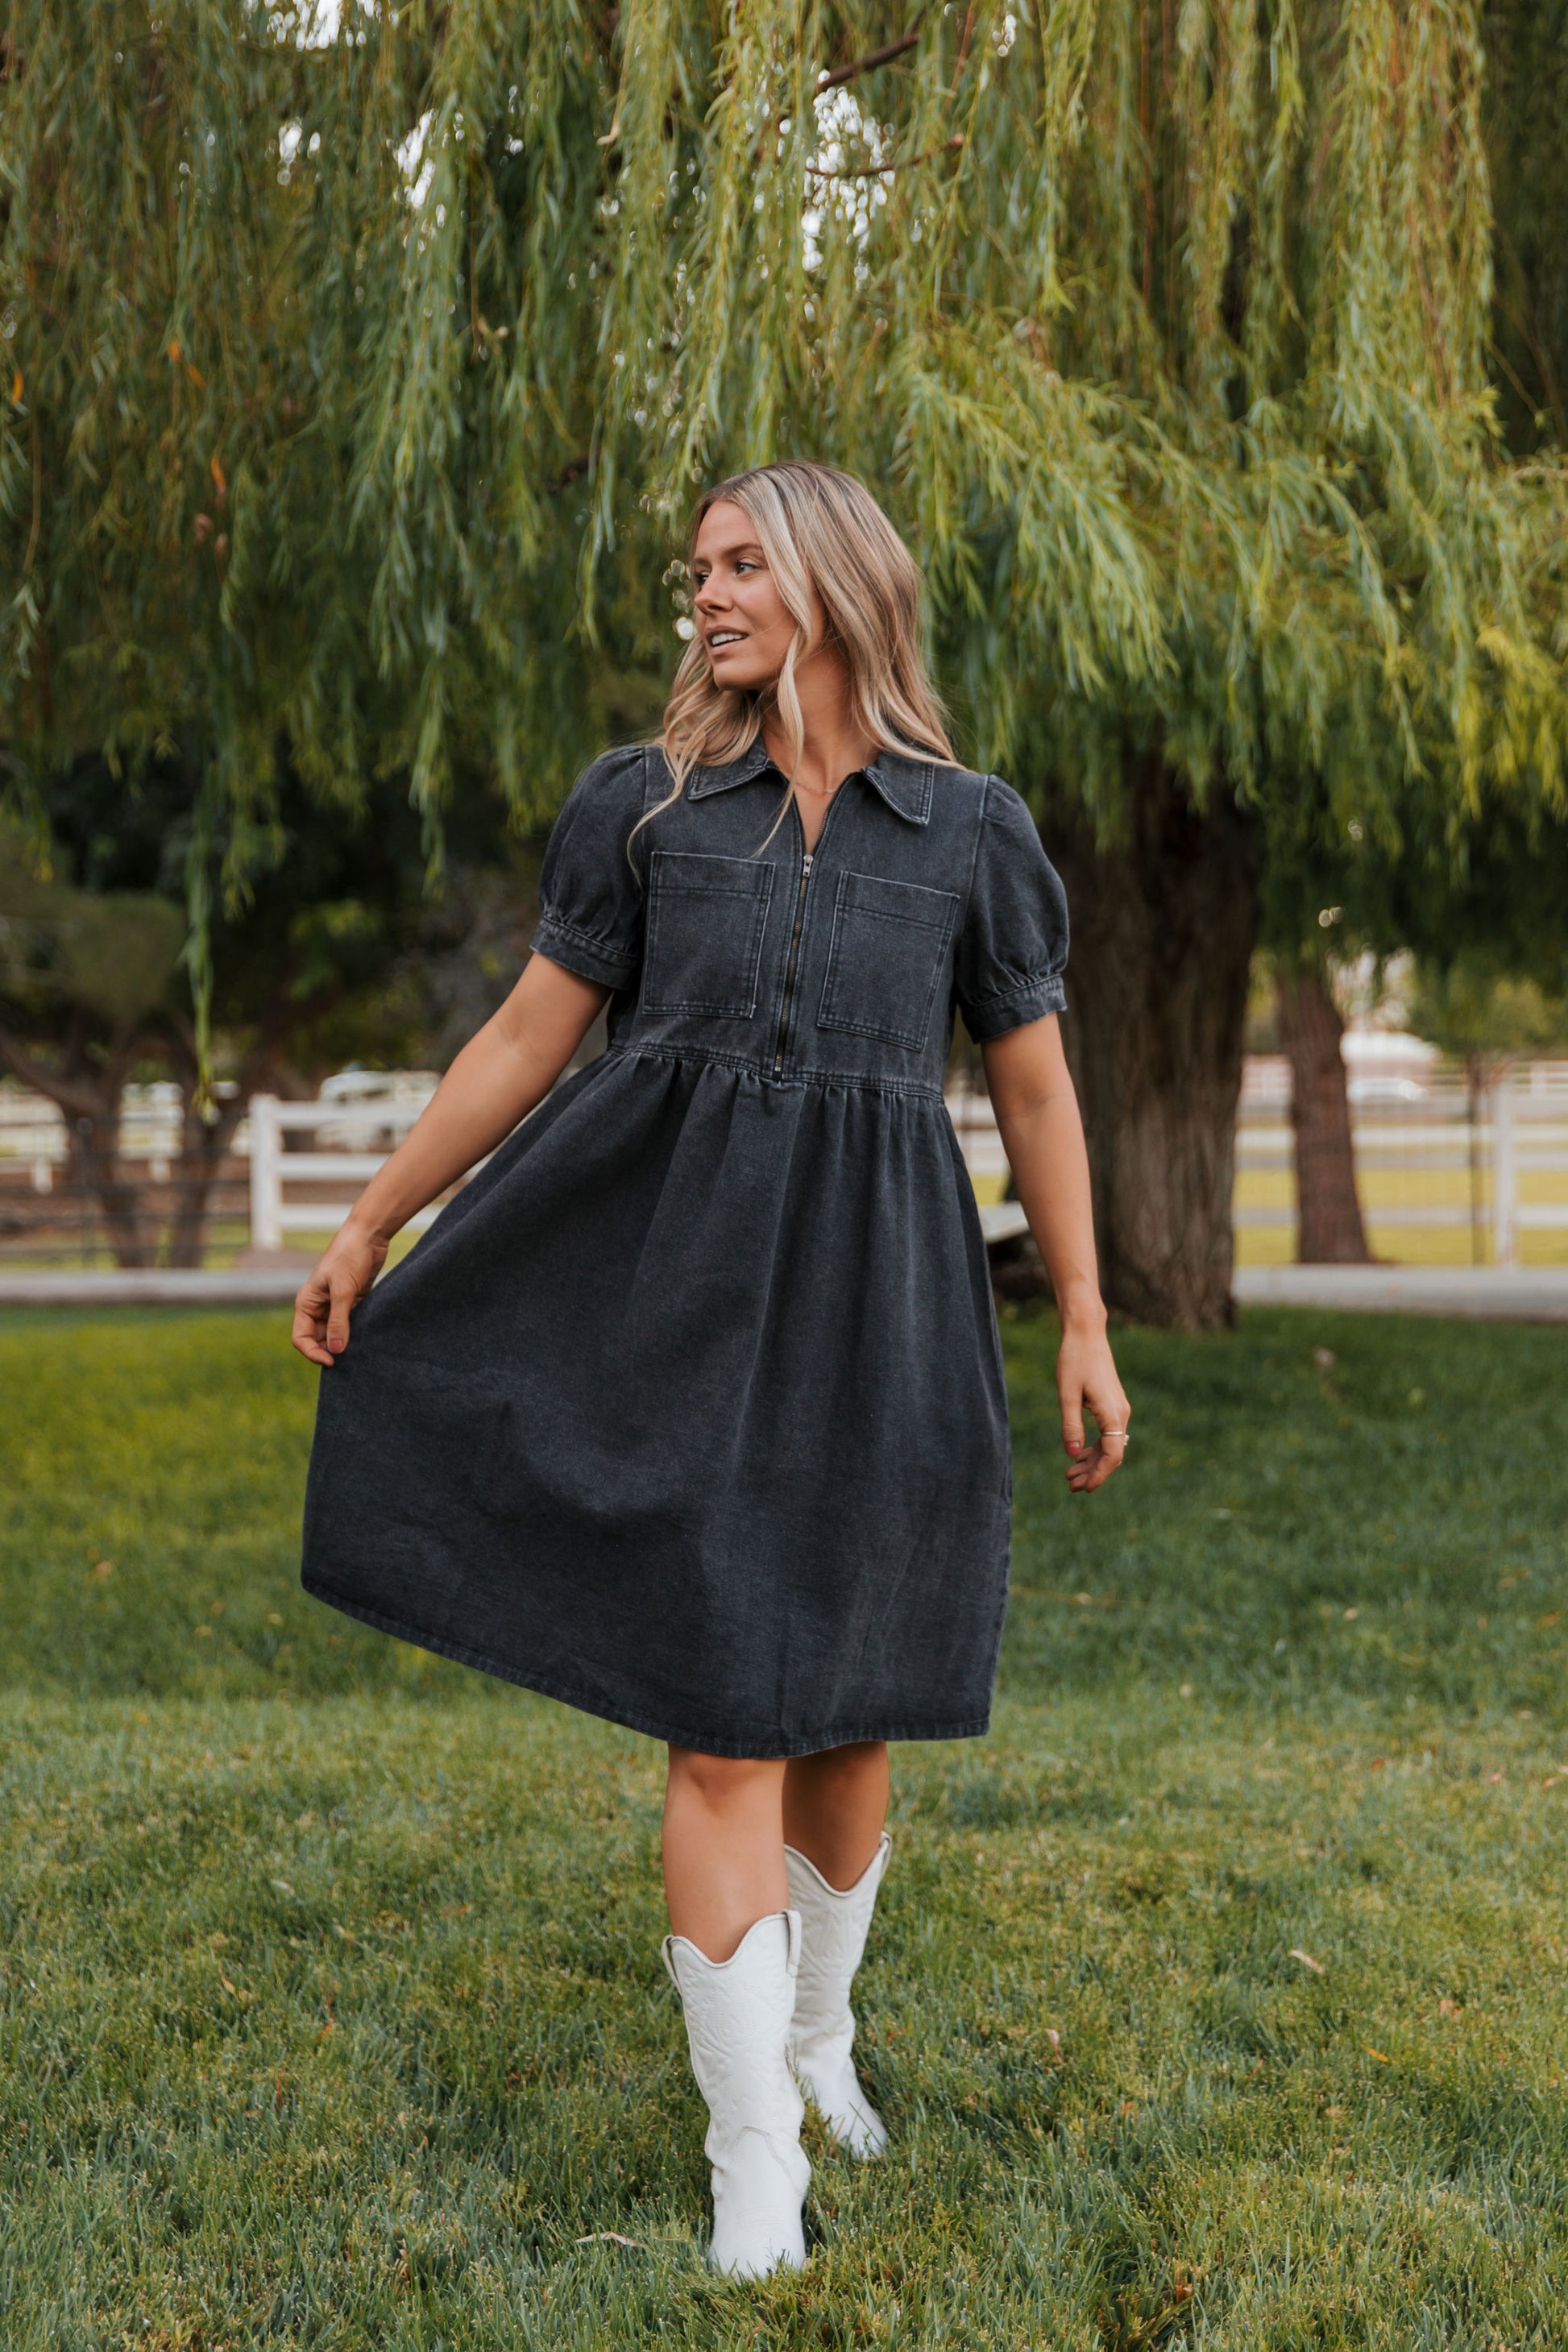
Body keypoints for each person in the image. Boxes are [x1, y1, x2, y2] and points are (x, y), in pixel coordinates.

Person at [292, 459, 1130, 2279]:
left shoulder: (970, 832)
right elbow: (526, 1037)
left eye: (744, 564)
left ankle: (819, 2043)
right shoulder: (648, 807)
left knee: (852, 1708)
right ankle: (753, 2160)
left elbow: (1037, 1086)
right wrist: (371, 1222)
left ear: (832, 578)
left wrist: (1078, 1310)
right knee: (725, 1713)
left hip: (889, 1310)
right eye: (699, 570)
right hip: (678, 1307)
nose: (709, 595)